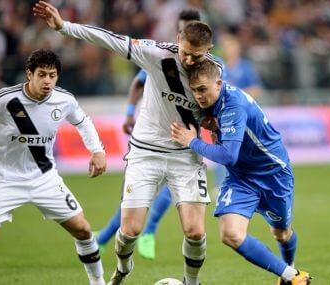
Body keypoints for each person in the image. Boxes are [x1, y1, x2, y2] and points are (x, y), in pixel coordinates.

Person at [33, 2, 218, 284]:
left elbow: (221, 112)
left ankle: (191, 282)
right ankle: (122, 268)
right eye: (185, 53)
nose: (189, 61)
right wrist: (64, 27)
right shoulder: (156, 54)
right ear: (178, 40)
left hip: (185, 155)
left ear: (209, 50)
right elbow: (109, 39)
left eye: (197, 56)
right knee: (130, 230)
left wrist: (213, 127)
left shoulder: (214, 72)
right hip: (146, 153)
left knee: (195, 231)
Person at [0, 49, 106, 285]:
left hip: (45, 178)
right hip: (6, 180)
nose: (47, 81)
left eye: (52, 75)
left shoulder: (65, 100)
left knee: (83, 229)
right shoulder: (6, 100)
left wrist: (97, 151)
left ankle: (98, 283)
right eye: (42, 74)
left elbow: (83, 122)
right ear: (29, 74)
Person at [170, 59, 311, 285]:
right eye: (195, 90)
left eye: (203, 89)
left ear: (219, 83)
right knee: (230, 234)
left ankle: (290, 268)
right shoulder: (213, 102)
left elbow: (228, 156)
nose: (198, 96)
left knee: (282, 234)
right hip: (241, 178)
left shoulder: (233, 105)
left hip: (273, 174)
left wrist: (192, 142)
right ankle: (292, 277)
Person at [97, 9, 210, 261]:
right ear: (179, 34)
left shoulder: (208, 68)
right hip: (151, 142)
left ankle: (135, 233)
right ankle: (116, 236)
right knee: (139, 202)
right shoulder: (161, 58)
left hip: (185, 149)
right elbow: (139, 81)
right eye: (184, 29)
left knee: (175, 201)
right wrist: (128, 112)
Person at [212, 33, 263, 190]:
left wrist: (236, 95)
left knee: (245, 149)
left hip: (243, 115)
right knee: (222, 147)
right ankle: (221, 184)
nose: (228, 49)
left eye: (230, 45)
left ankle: (248, 181)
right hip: (223, 115)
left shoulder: (245, 67)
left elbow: (256, 89)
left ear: (237, 48)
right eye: (225, 46)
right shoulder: (217, 66)